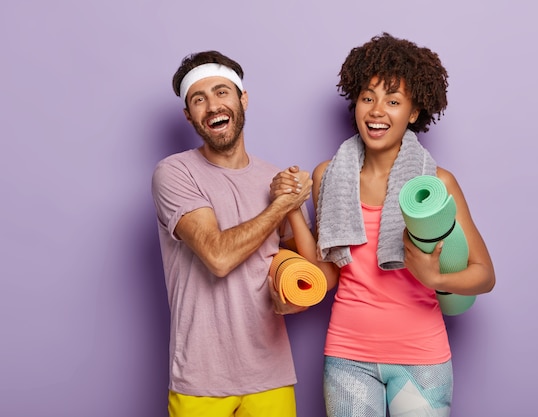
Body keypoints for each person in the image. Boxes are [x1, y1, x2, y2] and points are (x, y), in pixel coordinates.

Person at [272, 33, 495, 417]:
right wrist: (292, 207)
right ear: (355, 103)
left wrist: (433, 277)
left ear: (412, 112)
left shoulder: (436, 184)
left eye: (393, 101)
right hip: (347, 355)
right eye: (368, 98)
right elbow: (327, 274)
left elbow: (484, 276)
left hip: (422, 358)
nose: (377, 111)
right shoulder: (329, 175)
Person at [151, 50, 313, 417]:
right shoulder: (174, 173)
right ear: (188, 115)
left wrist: (296, 205)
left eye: (222, 92)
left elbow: (304, 270)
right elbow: (218, 257)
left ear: (242, 99)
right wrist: (280, 205)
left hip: (270, 374)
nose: (212, 105)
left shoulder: (273, 178)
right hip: (201, 380)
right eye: (199, 99)